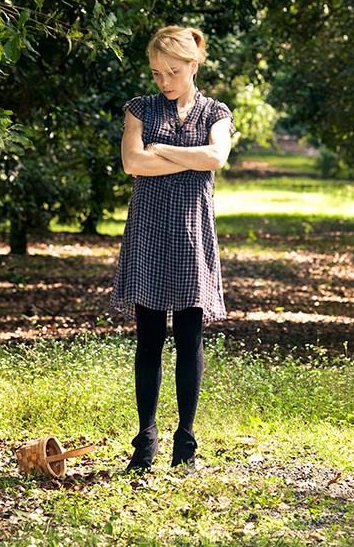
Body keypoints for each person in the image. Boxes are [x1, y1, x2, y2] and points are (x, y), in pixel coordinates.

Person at [110, 26, 234, 475]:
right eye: (157, 73)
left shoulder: (216, 111)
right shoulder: (140, 108)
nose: (164, 81)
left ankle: (186, 442)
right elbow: (132, 162)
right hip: (148, 232)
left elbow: (216, 158)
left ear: (193, 65)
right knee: (148, 340)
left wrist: (161, 149)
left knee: (188, 338)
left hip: (192, 234)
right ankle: (145, 441)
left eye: (173, 72)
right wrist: (186, 156)